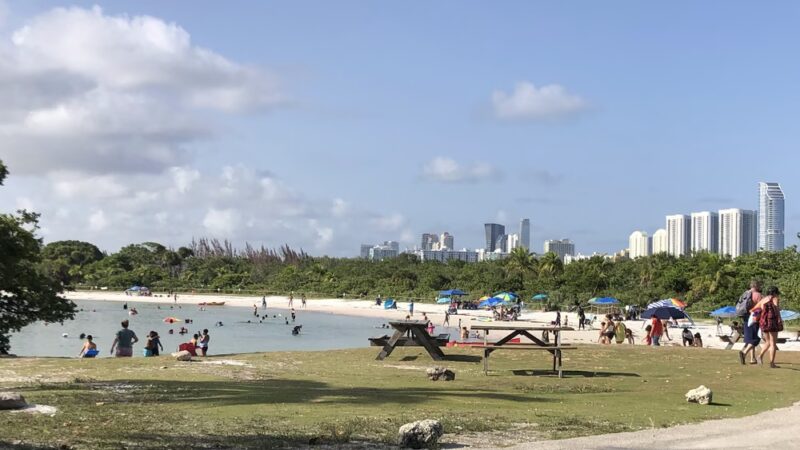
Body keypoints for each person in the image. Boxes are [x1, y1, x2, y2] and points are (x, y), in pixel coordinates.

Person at [754, 286, 783, 368]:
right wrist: (780, 319)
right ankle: (772, 363)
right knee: (773, 343)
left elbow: (755, 309)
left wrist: (756, 318)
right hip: (772, 322)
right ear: (774, 293)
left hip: (764, 322)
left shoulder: (763, 300)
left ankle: (760, 356)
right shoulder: (775, 299)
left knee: (768, 342)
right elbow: (777, 310)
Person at [739, 280, 763, 365]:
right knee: (755, 338)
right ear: (757, 286)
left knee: (749, 337)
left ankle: (752, 358)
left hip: (745, 317)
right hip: (754, 317)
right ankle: (744, 353)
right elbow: (760, 308)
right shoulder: (758, 295)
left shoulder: (745, 294)